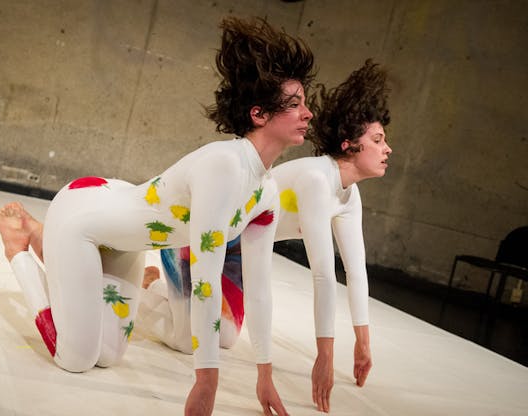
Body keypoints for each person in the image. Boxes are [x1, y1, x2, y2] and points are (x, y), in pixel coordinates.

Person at [0, 16, 315, 416]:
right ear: (259, 114)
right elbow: (205, 281)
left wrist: (264, 376)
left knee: (107, 356)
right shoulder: (224, 166)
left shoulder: (265, 194)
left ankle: (52, 247)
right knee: (75, 358)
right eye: (296, 104)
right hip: (83, 218)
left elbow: (260, 289)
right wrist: (206, 379)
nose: (309, 114)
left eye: (306, 103)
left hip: (125, 242)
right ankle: (20, 248)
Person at [143, 59, 392, 413]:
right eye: (378, 140)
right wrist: (324, 356)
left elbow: (355, 271)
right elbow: (322, 273)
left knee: (225, 338)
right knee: (188, 341)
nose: (388, 149)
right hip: (202, 240)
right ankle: (153, 280)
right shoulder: (317, 181)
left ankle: (161, 285)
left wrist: (363, 344)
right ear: (350, 144)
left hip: (241, 251)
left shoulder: (349, 194)